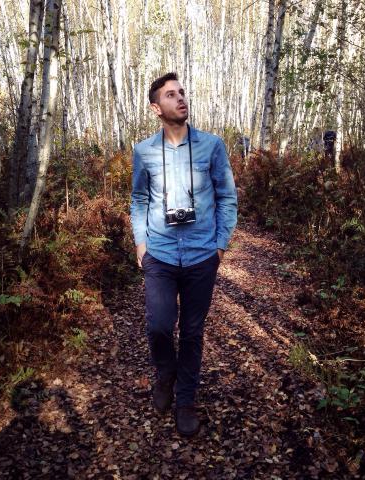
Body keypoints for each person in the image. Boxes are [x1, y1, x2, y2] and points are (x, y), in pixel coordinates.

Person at [130, 72, 238, 437]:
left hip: (200, 256)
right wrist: (140, 244)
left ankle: (186, 400)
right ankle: (165, 374)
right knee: (159, 326)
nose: (180, 99)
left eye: (182, 92)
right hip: (159, 254)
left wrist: (220, 245)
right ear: (155, 108)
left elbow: (227, 196)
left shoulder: (212, 146)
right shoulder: (143, 151)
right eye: (171, 95)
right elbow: (139, 199)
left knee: (192, 331)